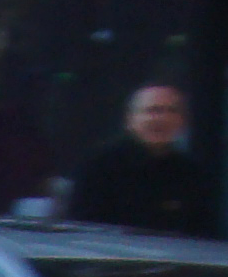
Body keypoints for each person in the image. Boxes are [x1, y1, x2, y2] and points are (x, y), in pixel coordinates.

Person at [68, 82, 219, 238]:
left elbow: (205, 233)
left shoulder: (192, 172)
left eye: (172, 111)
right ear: (130, 120)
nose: (162, 119)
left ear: (183, 121)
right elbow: (83, 228)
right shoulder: (99, 165)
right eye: (153, 110)